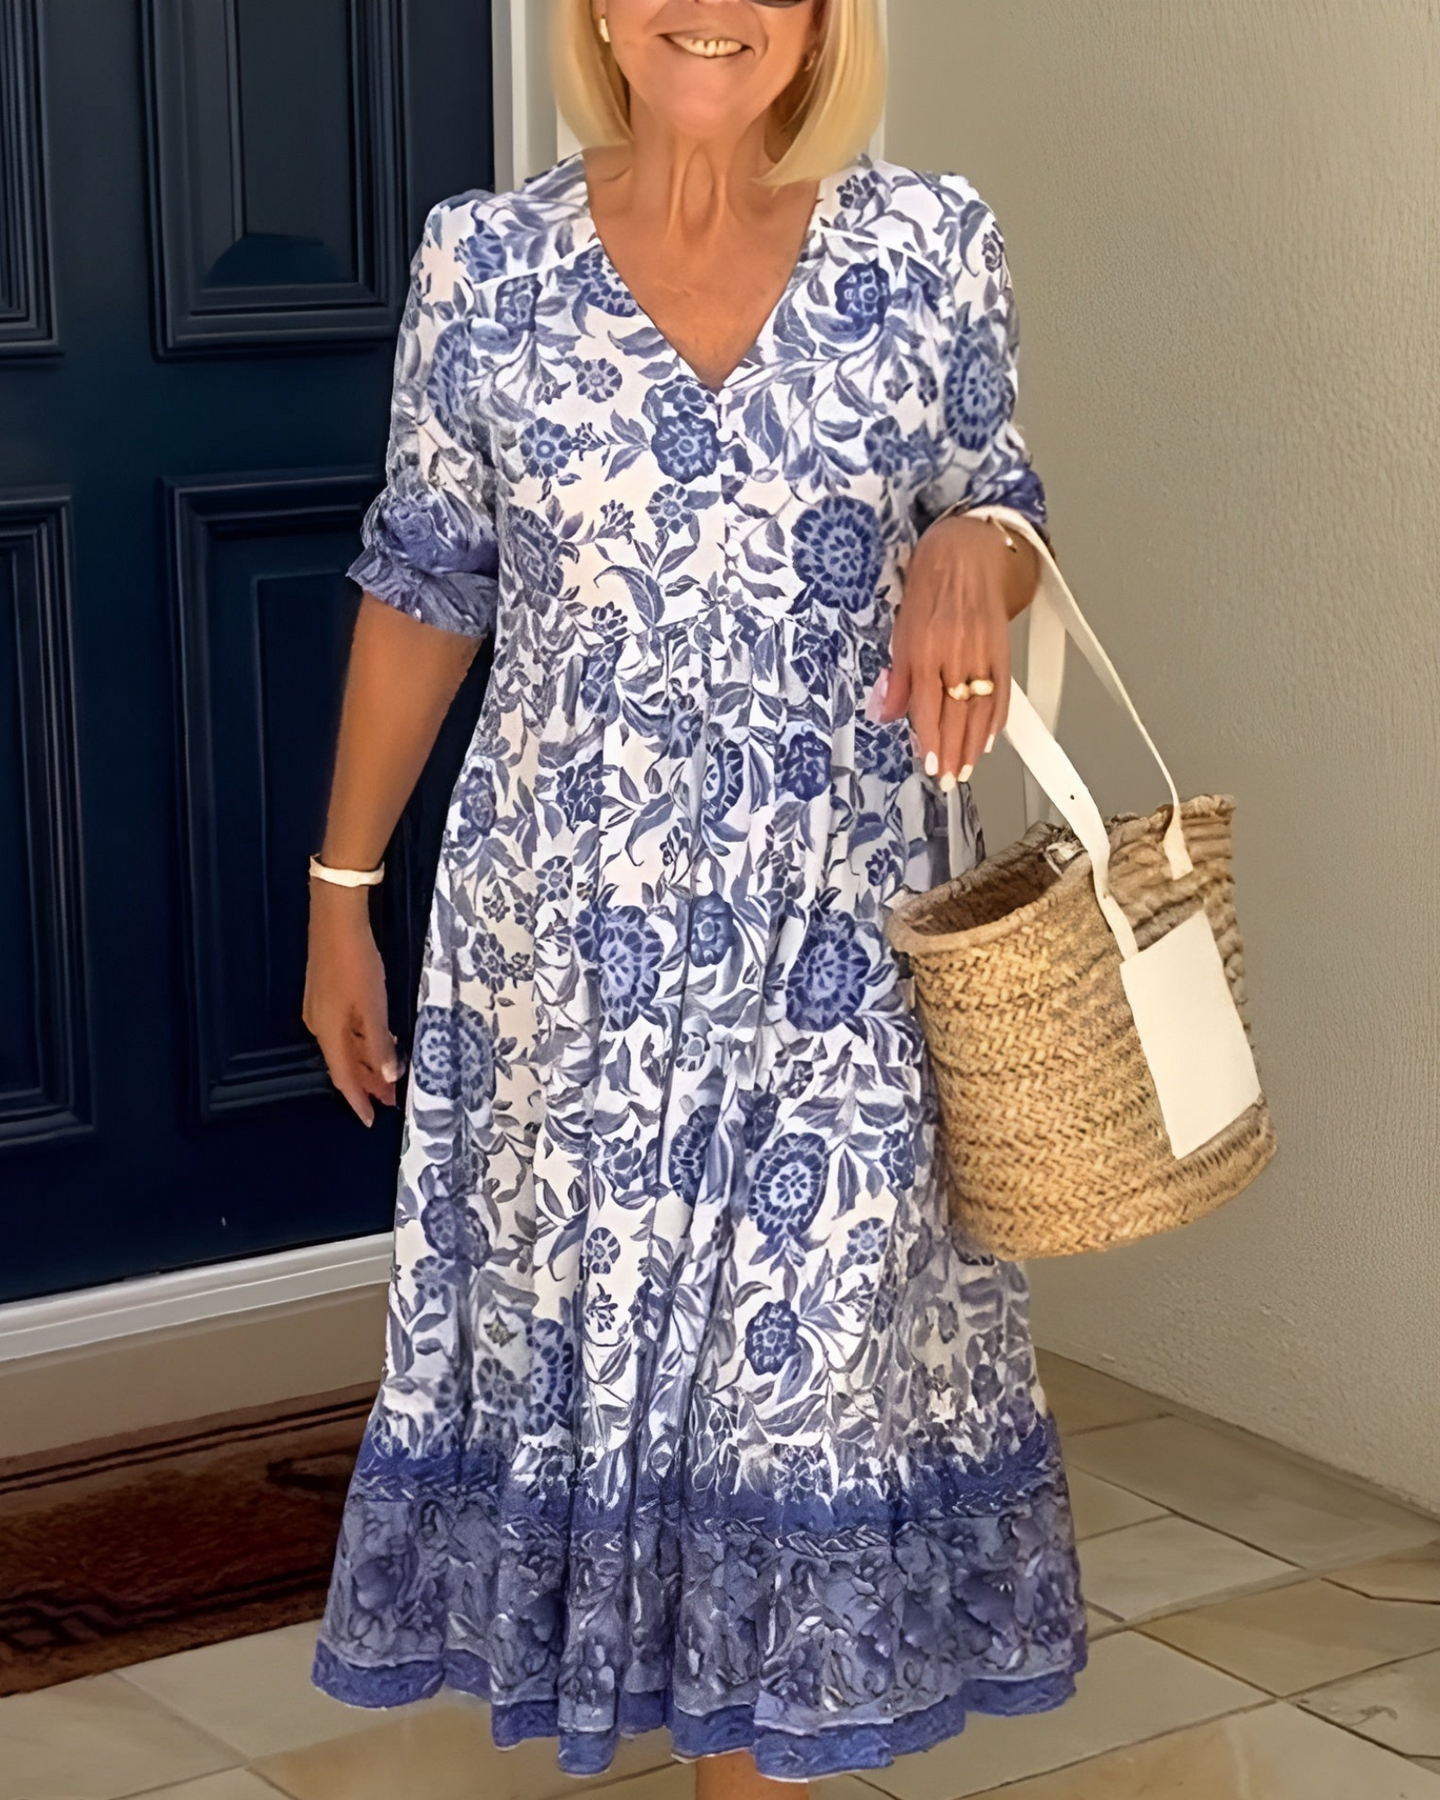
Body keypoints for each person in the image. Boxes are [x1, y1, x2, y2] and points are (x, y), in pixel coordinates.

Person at [303, 0, 1087, 1791]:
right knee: (615, 1392)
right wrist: (342, 890)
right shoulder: (485, 265)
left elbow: (1005, 511)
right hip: (563, 946)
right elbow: (425, 585)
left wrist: (973, 547)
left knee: (799, 1391)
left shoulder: (929, 244)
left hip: (848, 932)